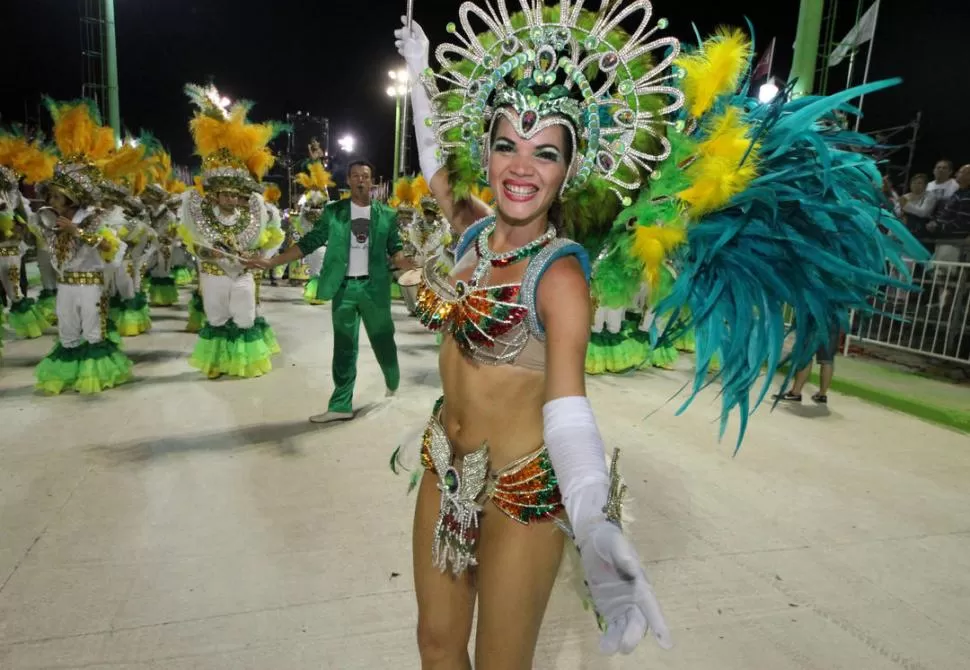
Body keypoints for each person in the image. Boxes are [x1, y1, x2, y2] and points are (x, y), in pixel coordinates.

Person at [390, 5, 927, 668]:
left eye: (545, 152)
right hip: (444, 468)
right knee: (436, 647)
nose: (522, 166)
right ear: (487, 151)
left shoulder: (559, 276)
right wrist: (420, 75)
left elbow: (567, 405)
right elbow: (434, 162)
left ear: (570, 169)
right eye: (507, 145)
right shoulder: (472, 231)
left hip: (520, 492)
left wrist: (592, 518)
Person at [249, 160, 414, 422]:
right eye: (355, 175)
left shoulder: (387, 215)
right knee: (345, 346)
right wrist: (272, 261)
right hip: (344, 288)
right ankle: (340, 405)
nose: (361, 180)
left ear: (372, 182)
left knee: (383, 340)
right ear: (348, 181)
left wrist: (406, 262)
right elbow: (309, 242)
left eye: (366, 176)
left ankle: (392, 378)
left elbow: (396, 250)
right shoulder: (334, 212)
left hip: (374, 289)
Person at [179, 83, 285, 380]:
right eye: (225, 194)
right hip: (212, 274)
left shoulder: (256, 214)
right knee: (216, 318)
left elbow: (273, 237)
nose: (231, 199)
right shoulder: (197, 212)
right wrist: (206, 252)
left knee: (244, 318)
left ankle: (243, 363)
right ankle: (217, 362)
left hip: (243, 275)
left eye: (236, 195)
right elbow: (193, 242)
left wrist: (259, 256)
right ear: (214, 195)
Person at [33, 99, 133, 394]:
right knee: (66, 330)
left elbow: (110, 247)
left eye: (57, 198)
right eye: (51, 197)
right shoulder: (50, 220)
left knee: (92, 330)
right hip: (65, 285)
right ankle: (69, 374)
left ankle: (94, 376)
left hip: (91, 284)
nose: (52, 202)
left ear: (73, 199)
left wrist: (77, 231)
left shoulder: (95, 218)